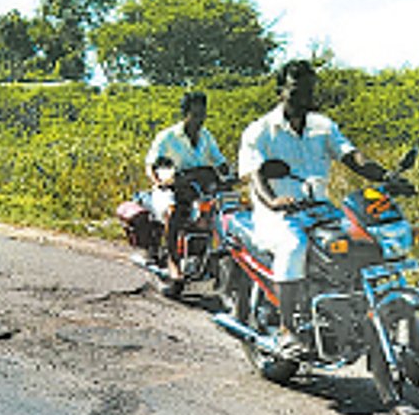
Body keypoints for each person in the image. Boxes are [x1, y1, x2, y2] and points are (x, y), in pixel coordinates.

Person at [238, 59, 393, 355]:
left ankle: (353, 311)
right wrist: (273, 200)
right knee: (294, 246)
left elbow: (352, 157)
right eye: (296, 91)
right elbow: (256, 173)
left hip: (320, 209)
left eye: (309, 91)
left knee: (361, 241)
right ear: (280, 91)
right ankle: (288, 329)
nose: (304, 98)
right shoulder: (260, 131)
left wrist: (386, 177)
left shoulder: (323, 127)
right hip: (277, 215)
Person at [145, 91, 231, 294]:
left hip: (198, 187)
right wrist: (159, 182)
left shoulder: (206, 137)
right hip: (171, 187)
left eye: (202, 115)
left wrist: (231, 176)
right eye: (195, 115)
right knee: (174, 212)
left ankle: (212, 259)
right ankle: (172, 261)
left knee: (221, 212)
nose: (199, 120)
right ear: (185, 114)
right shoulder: (168, 137)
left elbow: (220, 162)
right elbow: (151, 164)